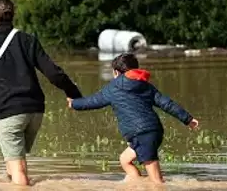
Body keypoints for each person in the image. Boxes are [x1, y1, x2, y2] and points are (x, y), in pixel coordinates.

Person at [0, 0, 83, 186]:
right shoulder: (27, 40)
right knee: (14, 164)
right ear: (13, 15)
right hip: (35, 111)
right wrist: (73, 92)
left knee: (18, 170)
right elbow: (52, 72)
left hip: (9, 112)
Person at [67, 53, 199, 184]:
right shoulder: (146, 86)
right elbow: (167, 104)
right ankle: (137, 184)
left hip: (141, 134)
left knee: (158, 183)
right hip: (154, 131)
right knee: (125, 159)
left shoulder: (113, 87)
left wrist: (73, 103)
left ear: (116, 72)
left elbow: (92, 102)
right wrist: (187, 119)